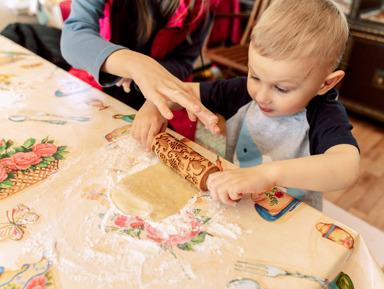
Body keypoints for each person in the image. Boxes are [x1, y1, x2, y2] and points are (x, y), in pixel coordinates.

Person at [130, 0, 361, 211]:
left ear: (325, 83)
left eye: (281, 88)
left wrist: (268, 175)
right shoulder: (240, 93)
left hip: (292, 218)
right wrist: (153, 104)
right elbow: (183, 91)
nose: (261, 96)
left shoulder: (323, 113)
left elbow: (347, 167)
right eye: (255, 76)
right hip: (238, 205)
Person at [59, 0, 221, 140]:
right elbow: (73, 38)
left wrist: (140, 74)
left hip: (159, 92)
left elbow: (184, 63)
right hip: (98, 81)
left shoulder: (200, 7)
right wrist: (131, 65)